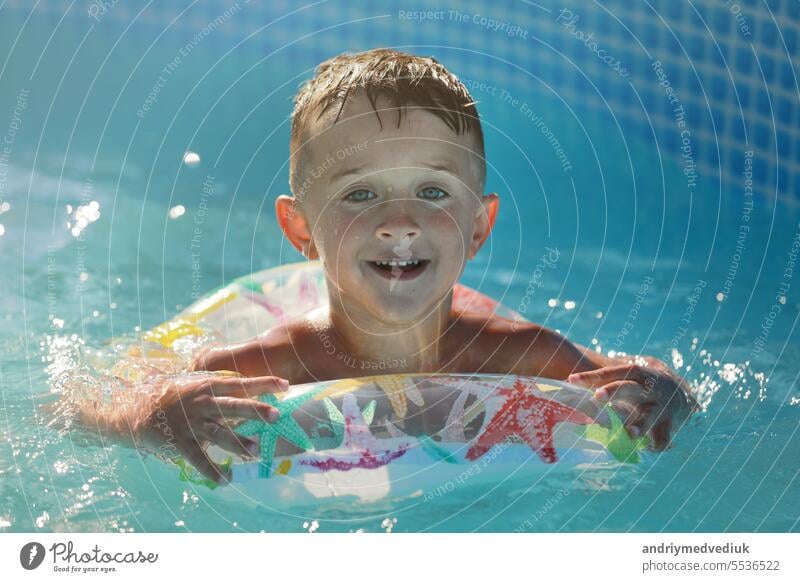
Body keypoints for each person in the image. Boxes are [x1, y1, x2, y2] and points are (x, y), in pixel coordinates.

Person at [82, 49, 695, 484]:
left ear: (478, 227)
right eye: (360, 193)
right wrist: (143, 416)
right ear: (302, 229)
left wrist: (668, 392)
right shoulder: (270, 368)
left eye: (433, 192)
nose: (399, 222)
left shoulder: (519, 352)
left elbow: (636, 380)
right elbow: (80, 402)